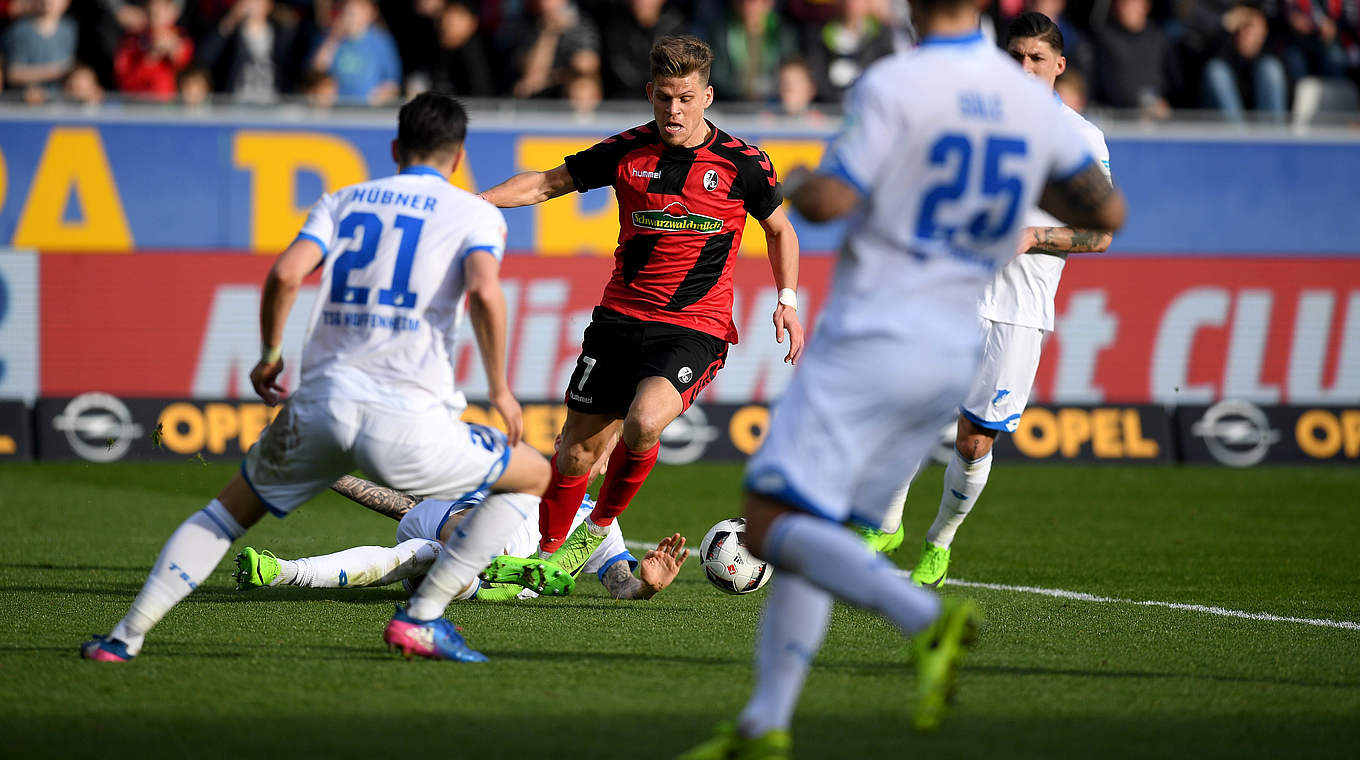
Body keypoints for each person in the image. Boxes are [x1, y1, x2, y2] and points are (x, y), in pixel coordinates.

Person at [679, 0, 1127, 753]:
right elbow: (1105, 209)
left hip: (881, 326)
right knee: (810, 517)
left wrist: (801, 178)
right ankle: (767, 723)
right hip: (953, 339)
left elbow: (831, 199)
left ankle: (926, 620)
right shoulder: (1030, 105)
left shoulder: (898, 82)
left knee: (771, 518)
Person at [81, 92, 570, 665]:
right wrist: (502, 390)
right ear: (458, 157)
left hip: (319, 404)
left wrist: (269, 355)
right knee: (532, 475)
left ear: (394, 148)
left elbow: (285, 274)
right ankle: (422, 619)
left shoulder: (342, 201)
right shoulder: (476, 213)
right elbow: (486, 292)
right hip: (409, 418)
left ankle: (124, 637)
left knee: (221, 515)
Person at [476, 34, 804, 587]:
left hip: (694, 326)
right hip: (618, 322)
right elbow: (543, 185)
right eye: (664, 98)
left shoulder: (743, 163)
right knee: (576, 454)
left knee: (645, 420)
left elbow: (780, 230)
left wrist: (787, 300)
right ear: (651, 93)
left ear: (707, 96)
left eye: (686, 98)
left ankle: (595, 528)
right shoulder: (627, 150)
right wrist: (473, 204)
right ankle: (545, 559)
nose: (674, 111)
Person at [864, 12, 1115, 587]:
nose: (1024, 68)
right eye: (1015, 56)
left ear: (1059, 66)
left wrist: (1035, 237)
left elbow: (1100, 234)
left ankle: (940, 544)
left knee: (974, 439)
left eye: (1036, 58)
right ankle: (886, 524)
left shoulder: (1081, 140)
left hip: (1019, 309)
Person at [232, 472, 690, 602]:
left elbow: (619, 586)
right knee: (451, 535)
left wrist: (645, 585)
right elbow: (402, 503)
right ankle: (289, 572)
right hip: (454, 526)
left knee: (422, 554)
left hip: (468, 581)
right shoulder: (521, 476)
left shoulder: (599, 524)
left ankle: (284, 572)